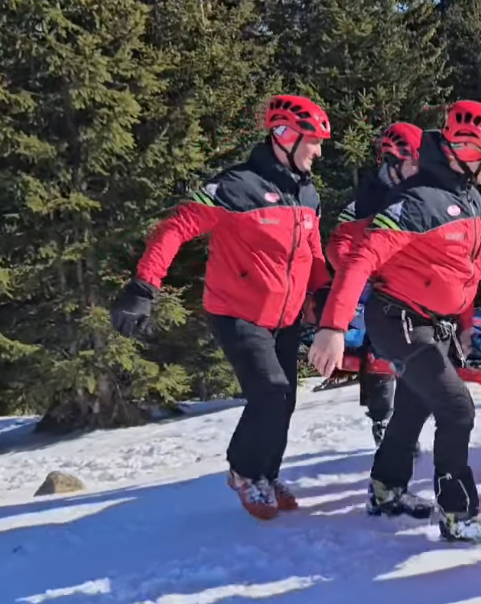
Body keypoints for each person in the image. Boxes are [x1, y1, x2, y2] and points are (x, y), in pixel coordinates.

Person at [110, 94, 332, 521]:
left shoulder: (307, 193)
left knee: (284, 400)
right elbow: (176, 228)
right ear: (284, 136)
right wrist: (144, 285)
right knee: (270, 391)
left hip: (285, 318)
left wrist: (321, 292)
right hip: (238, 312)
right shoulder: (236, 186)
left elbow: (313, 251)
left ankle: (266, 473)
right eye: (313, 142)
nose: (319, 152)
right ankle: (243, 472)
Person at [307, 100, 481, 544]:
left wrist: (465, 322)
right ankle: (457, 514)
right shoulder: (418, 200)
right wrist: (333, 327)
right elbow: (359, 260)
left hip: (435, 321)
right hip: (397, 318)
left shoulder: (471, 198)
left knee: (416, 404)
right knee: (457, 408)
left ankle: (386, 489)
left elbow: (468, 270)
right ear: (467, 152)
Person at [320, 123, 425, 446]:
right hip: (372, 286)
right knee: (381, 340)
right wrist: (364, 275)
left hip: (412, 285)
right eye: (413, 164)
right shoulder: (367, 199)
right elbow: (338, 247)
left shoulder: (418, 193)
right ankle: (382, 417)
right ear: (393, 162)